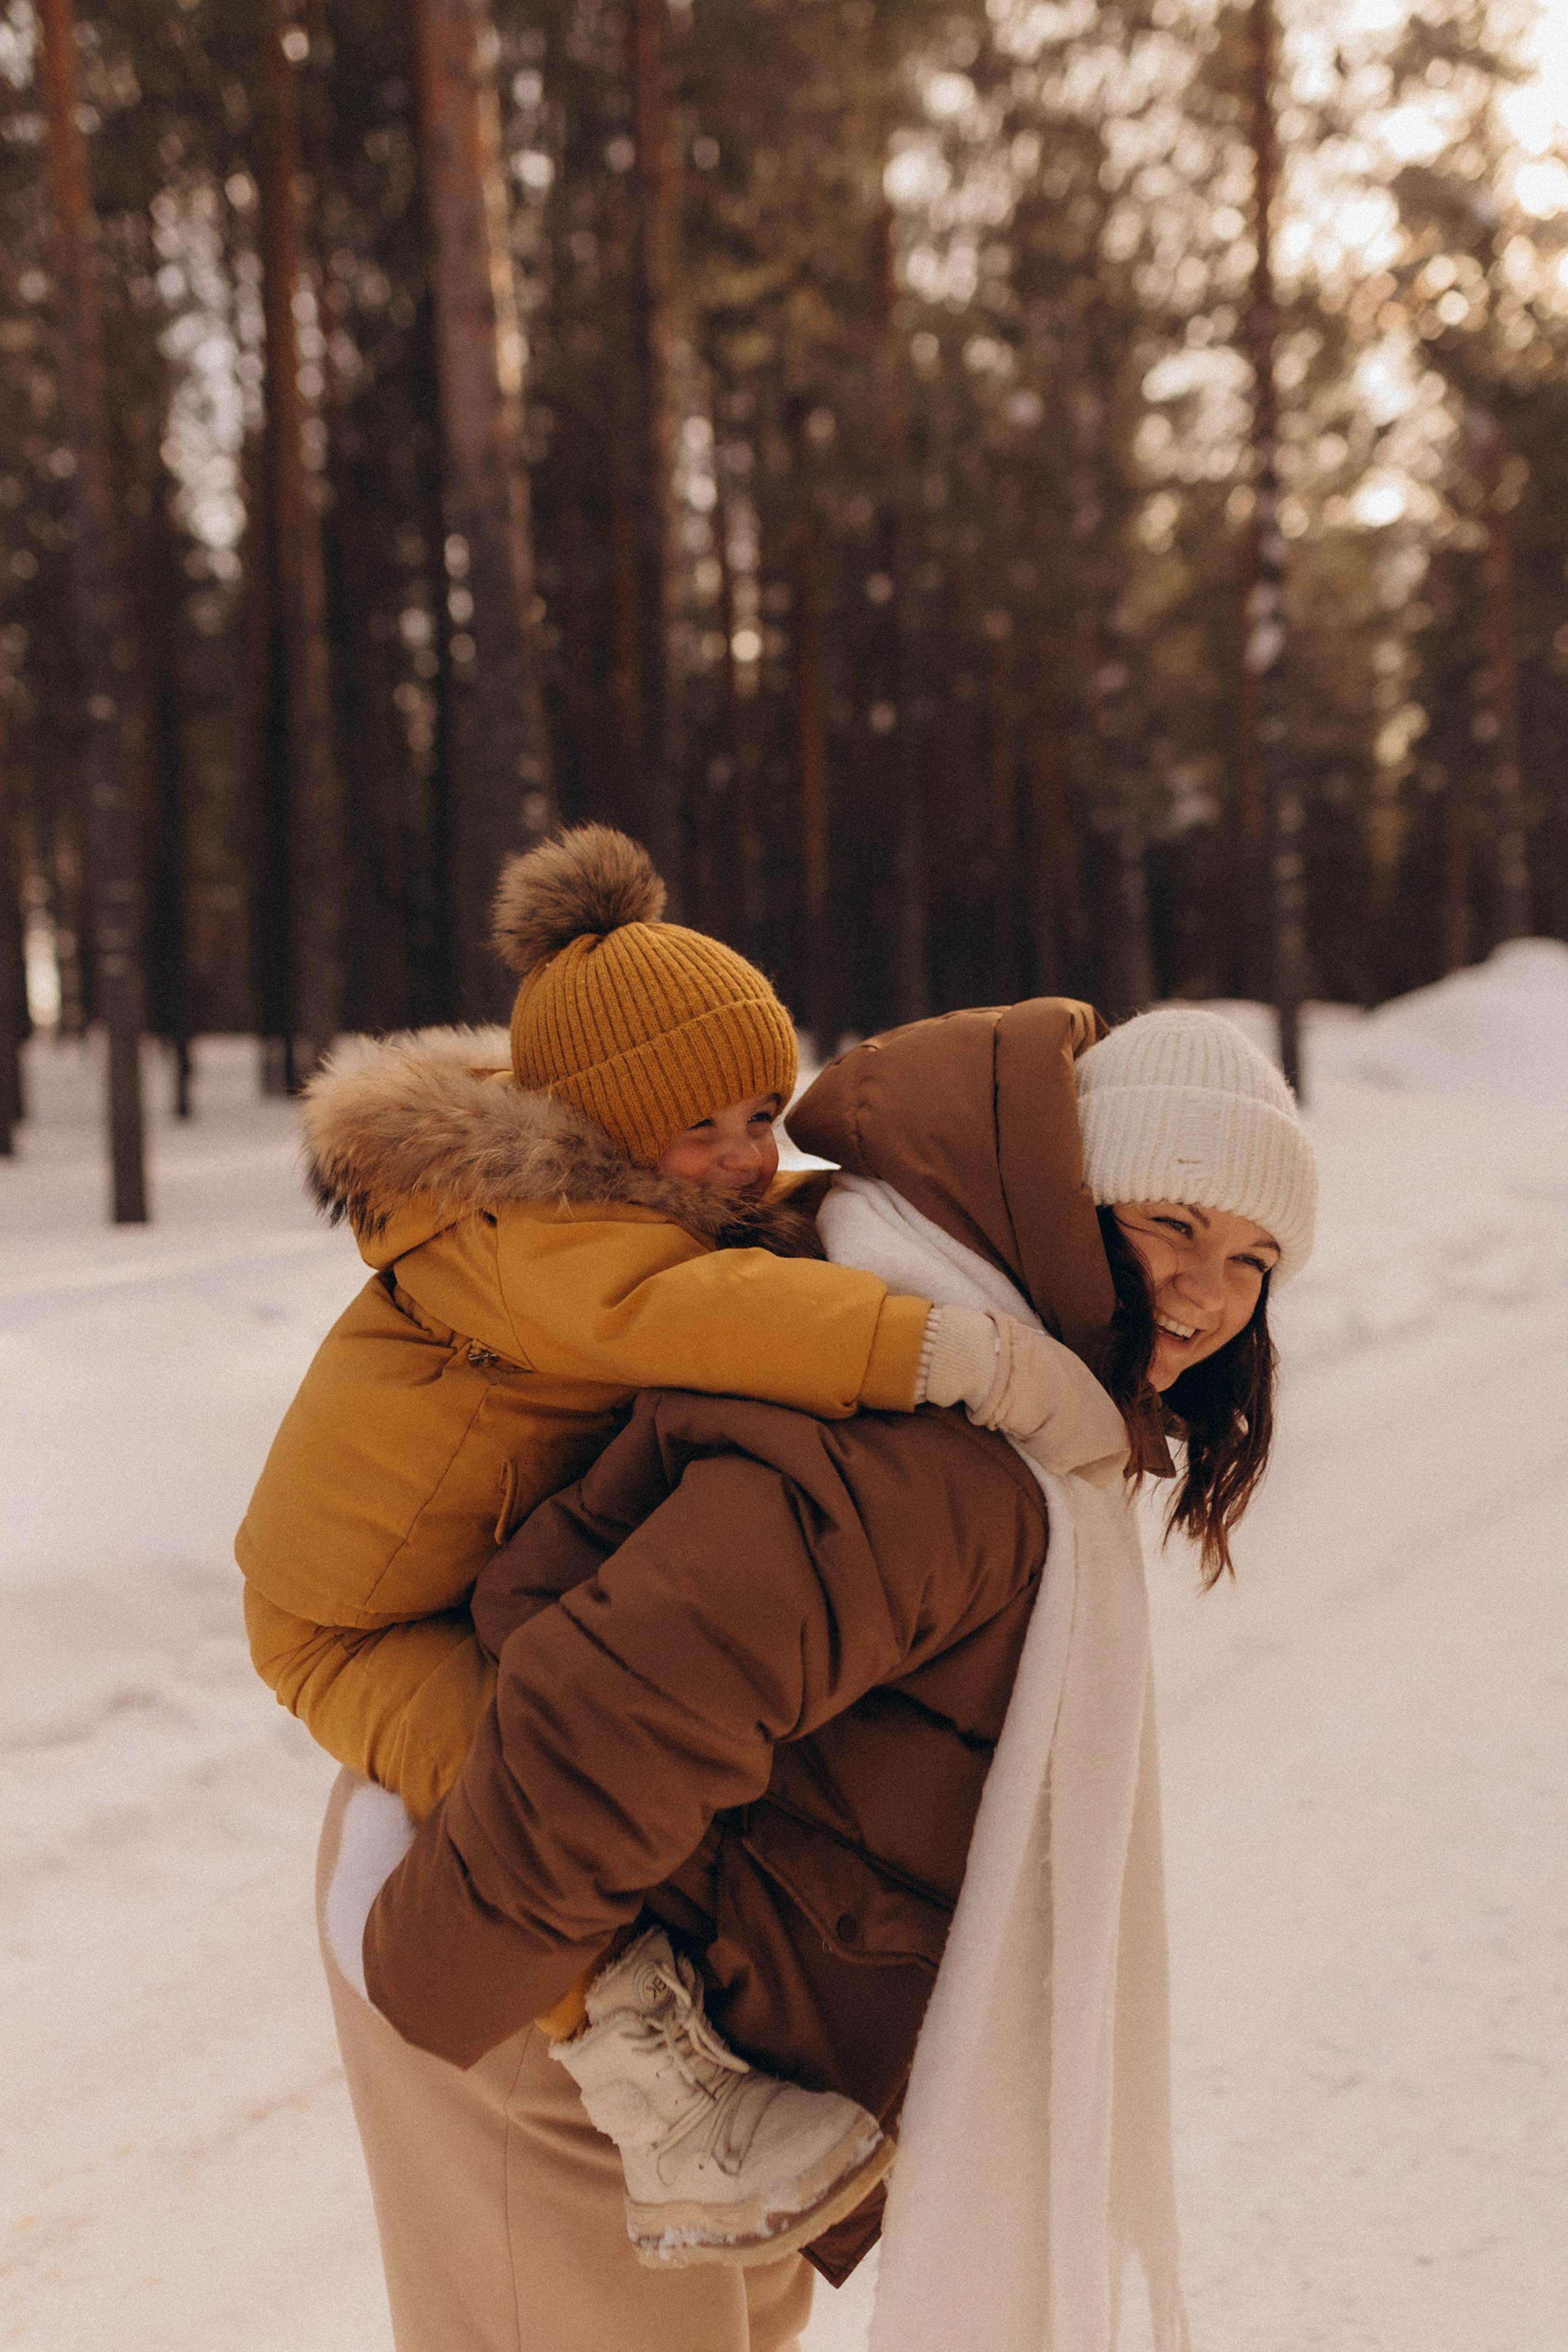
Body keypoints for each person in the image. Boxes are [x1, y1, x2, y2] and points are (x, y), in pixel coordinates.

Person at [325, 990, 1316, 2352]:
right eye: (1171, 1224)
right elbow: (618, 1700)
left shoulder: (1008, 1400)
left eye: (1254, 1256)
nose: (1208, 1289)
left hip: (684, 1986)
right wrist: (470, 1988)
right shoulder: (934, 1452)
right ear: (1059, 1193)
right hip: (539, 1958)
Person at [239, 827, 1107, 2261]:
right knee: (520, 1802)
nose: (745, 1156)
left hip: (445, 1584)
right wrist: (967, 1354)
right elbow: (702, 1316)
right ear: (592, 1128)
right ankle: (660, 2092)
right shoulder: (533, 1233)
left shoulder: (648, 1197)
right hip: (354, 1630)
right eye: (697, 1128)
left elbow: (752, 1253)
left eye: (762, 1111)